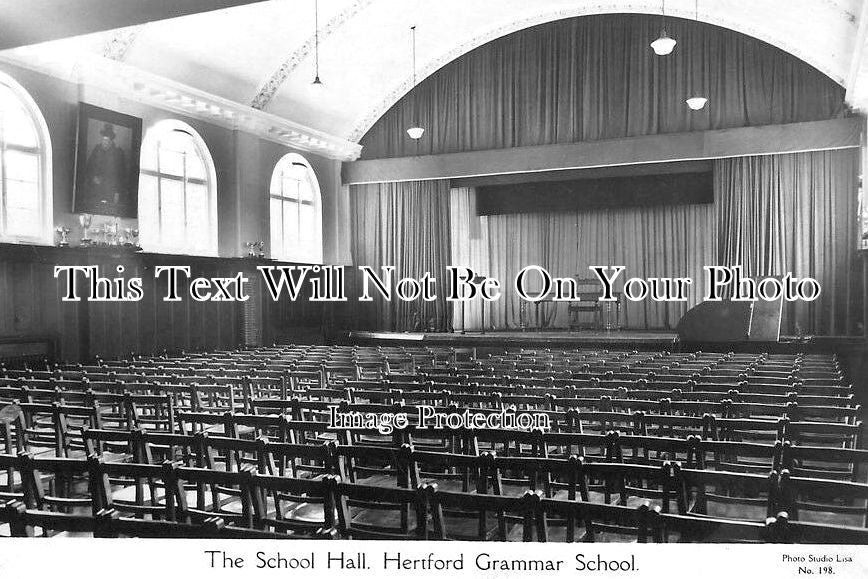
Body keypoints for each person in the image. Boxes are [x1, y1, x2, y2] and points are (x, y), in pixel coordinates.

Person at [83, 122, 127, 213]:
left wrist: (117, 193)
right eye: (103, 139)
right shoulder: (97, 149)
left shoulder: (118, 153)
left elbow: (122, 176)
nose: (105, 142)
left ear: (111, 140)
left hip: (111, 191)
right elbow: (88, 167)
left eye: (107, 140)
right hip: (96, 190)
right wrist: (93, 177)